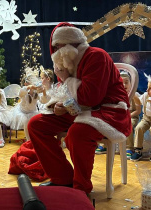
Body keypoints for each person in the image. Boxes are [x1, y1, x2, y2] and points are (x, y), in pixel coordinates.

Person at [28, 22, 131, 194]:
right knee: (36, 125)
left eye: (59, 46)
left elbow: (91, 97)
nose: (56, 52)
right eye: (55, 47)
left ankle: (81, 188)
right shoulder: (67, 62)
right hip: (81, 110)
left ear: (71, 44)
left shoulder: (96, 56)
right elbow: (65, 95)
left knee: (78, 132)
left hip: (108, 110)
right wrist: (59, 105)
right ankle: (62, 178)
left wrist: (67, 81)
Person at [10, 69, 41, 141]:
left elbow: (43, 100)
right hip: (23, 112)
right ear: (25, 84)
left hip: (33, 111)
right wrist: (29, 87)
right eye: (30, 82)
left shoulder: (36, 92)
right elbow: (20, 94)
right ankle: (28, 140)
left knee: (35, 122)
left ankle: (35, 138)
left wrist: (43, 91)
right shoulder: (23, 90)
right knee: (26, 121)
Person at [132, 73, 151, 161]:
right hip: (146, 118)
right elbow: (139, 101)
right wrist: (133, 94)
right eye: (148, 87)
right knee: (139, 128)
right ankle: (138, 150)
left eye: (150, 88)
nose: (147, 90)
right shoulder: (146, 95)